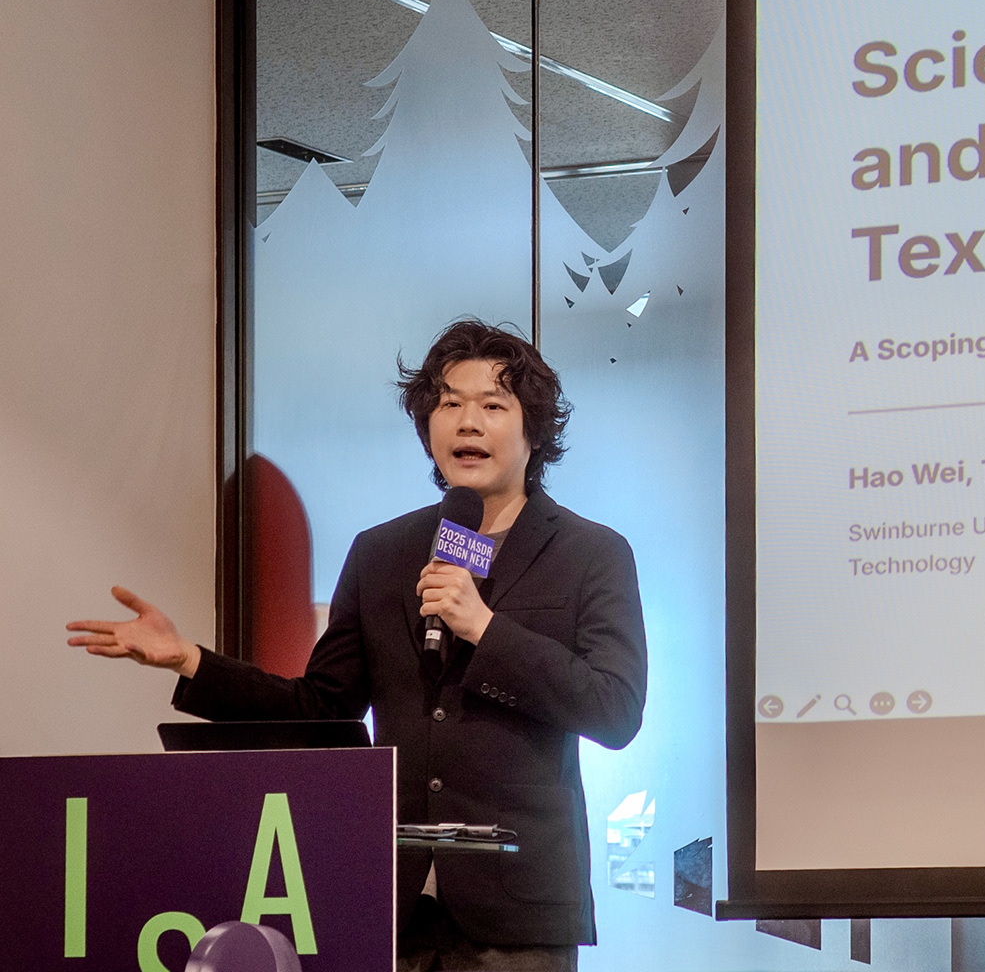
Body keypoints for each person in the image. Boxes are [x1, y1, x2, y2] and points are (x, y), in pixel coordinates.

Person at [67, 320, 647, 971]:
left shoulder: (591, 554)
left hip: (518, 916)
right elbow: (321, 707)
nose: (467, 422)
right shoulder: (382, 553)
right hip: (389, 904)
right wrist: (189, 660)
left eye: (492, 405)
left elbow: (615, 709)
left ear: (534, 430)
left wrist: (485, 629)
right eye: (448, 403)